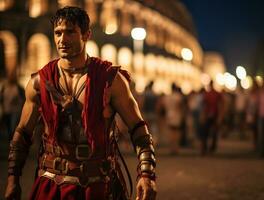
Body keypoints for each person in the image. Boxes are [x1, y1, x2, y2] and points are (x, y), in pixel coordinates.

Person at [5, 6, 157, 200]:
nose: (62, 39)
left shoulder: (110, 80)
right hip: (52, 182)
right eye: (58, 33)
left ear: (86, 35)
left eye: (70, 32)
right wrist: (12, 179)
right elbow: (23, 134)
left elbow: (139, 130)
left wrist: (147, 175)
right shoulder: (39, 82)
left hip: (97, 184)